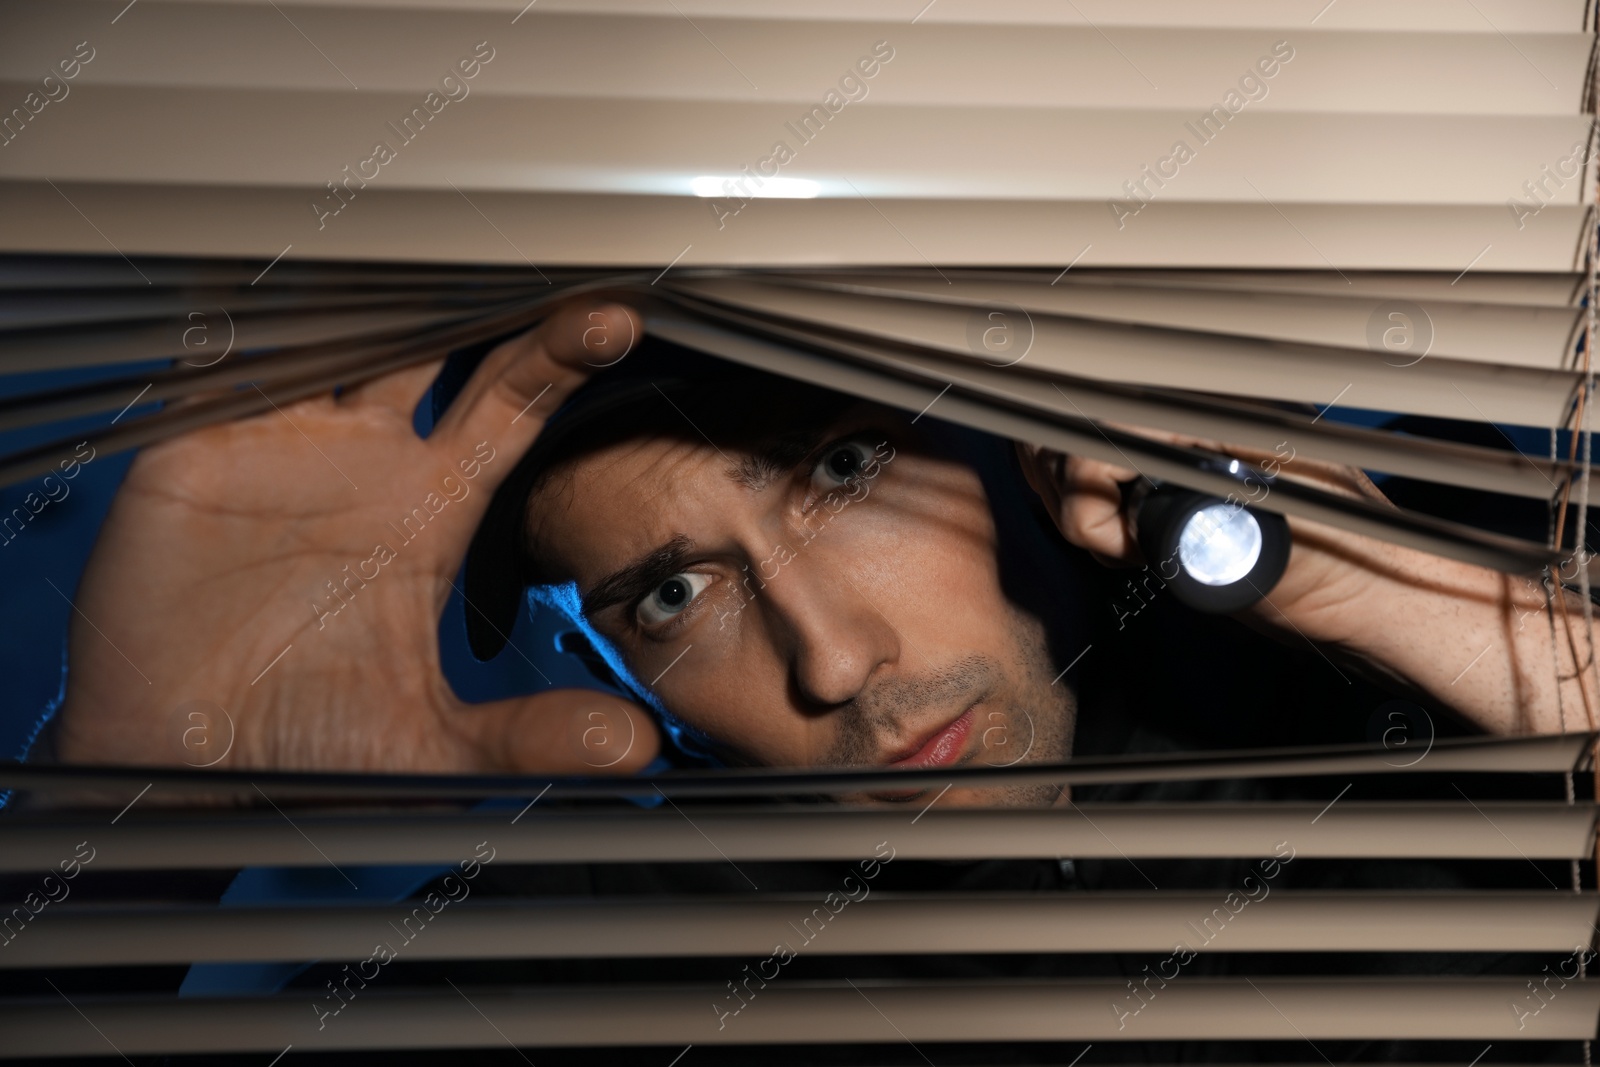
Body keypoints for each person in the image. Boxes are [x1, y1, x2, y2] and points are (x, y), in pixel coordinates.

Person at [46, 299, 1595, 805]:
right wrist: (116, 850)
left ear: (1012, 453)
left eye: (841, 472)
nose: (833, 662)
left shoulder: (1380, 758)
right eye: (669, 594)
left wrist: (1397, 595)